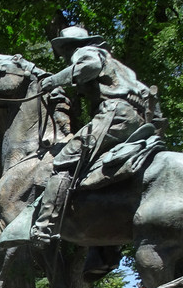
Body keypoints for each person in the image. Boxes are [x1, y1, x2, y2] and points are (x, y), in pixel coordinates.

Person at [26, 26, 163, 245]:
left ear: (70, 46)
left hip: (115, 113)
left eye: (64, 50)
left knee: (64, 161)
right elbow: (149, 97)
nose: (64, 56)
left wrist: (56, 79)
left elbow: (89, 66)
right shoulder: (124, 69)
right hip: (139, 120)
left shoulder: (86, 51)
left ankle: (44, 226)